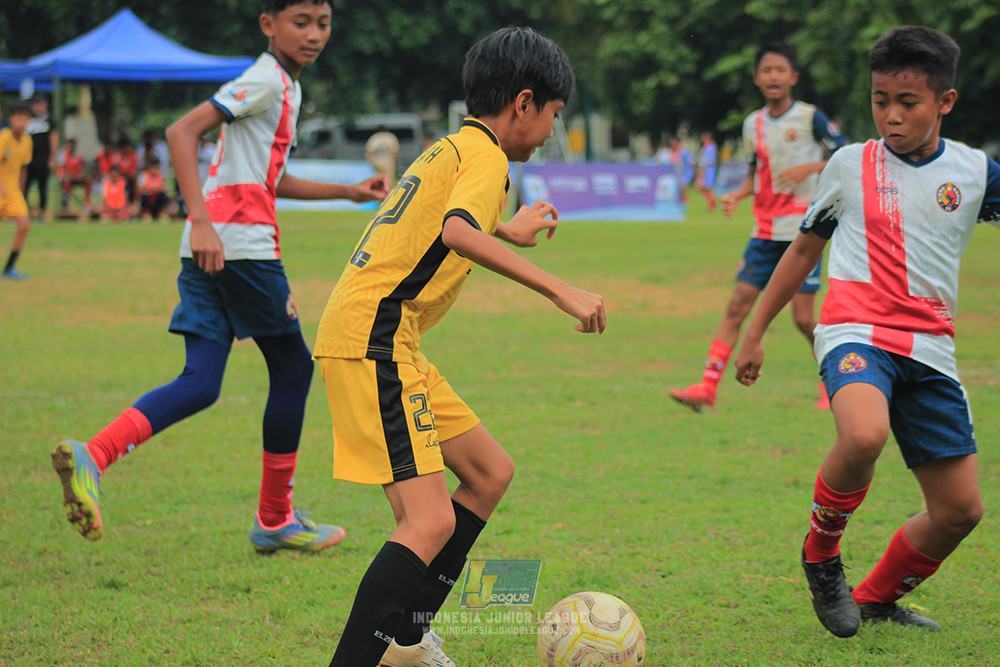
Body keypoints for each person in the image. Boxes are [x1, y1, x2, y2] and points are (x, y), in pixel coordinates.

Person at [50, 0, 391, 551]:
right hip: (238, 245)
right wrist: (203, 221)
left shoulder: (284, 85)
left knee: (202, 382)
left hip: (210, 245)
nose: (313, 35)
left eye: (322, 24)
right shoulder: (265, 80)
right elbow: (181, 132)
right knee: (292, 370)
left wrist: (346, 191)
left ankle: (94, 454)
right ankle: (275, 519)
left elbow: (266, 176)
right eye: (299, 22)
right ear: (269, 25)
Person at [317, 27, 605, 667]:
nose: (552, 131)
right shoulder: (489, 158)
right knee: (428, 523)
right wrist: (559, 289)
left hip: (391, 338)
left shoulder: (456, 147)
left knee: (487, 472)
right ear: (524, 103)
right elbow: (454, 230)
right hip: (375, 339)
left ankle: (409, 641)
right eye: (553, 116)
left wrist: (509, 228)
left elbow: (448, 218)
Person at [734, 26, 1000, 637]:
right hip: (856, 331)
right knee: (862, 435)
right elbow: (801, 253)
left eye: (908, 102)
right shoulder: (850, 164)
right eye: (881, 100)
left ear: (946, 102)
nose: (892, 115)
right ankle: (821, 557)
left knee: (960, 510)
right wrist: (755, 333)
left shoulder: (975, 172)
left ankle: (876, 597)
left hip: (931, 350)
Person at [671, 42, 847, 412]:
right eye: (766, 71)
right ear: (756, 79)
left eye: (780, 70)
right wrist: (739, 194)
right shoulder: (753, 124)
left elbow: (845, 156)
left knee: (802, 318)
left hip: (803, 233)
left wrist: (809, 168)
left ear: (793, 77)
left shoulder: (811, 118)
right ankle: (707, 387)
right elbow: (755, 174)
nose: (773, 76)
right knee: (736, 306)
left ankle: (836, 383)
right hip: (765, 232)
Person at [0, 104, 34, 280]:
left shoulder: (27, 141)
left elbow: (23, 167)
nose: (21, 122)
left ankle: (9, 268)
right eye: (18, 118)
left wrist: (21, 189)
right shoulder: (4, 138)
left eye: (25, 118)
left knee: (24, 225)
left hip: (12, 191)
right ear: (11, 119)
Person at [24, 94, 59, 221]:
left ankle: (42, 213)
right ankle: (24, 212)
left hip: (43, 159)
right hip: (28, 159)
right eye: (35, 104)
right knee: (25, 185)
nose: (37, 107)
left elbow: (53, 139)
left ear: (45, 105)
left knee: (42, 187)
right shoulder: (29, 119)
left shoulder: (49, 120)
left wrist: (52, 157)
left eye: (40, 104)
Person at [58, 138, 93, 217]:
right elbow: (62, 169)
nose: (71, 147)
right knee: (66, 182)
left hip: (76, 177)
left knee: (88, 181)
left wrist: (80, 175)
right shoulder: (63, 154)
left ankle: (87, 203)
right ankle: (66, 205)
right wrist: (69, 176)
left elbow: (83, 169)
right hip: (66, 178)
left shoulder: (79, 155)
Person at [695, 131, 718, 211]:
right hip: (704, 168)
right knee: (702, 187)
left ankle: (711, 203)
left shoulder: (711, 147)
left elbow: (709, 160)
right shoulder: (705, 147)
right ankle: (711, 201)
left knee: (707, 187)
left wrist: (703, 168)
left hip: (708, 169)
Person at [117, 138, 139, 203]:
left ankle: (134, 200)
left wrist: (131, 174)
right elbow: (118, 169)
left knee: (134, 180)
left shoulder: (133, 155)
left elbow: (134, 168)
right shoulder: (118, 156)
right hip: (122, 175)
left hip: (130, 176)